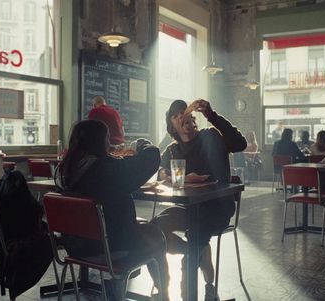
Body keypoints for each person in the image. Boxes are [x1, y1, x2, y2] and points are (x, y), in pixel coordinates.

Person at [56, 119, 170, 300]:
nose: (109, 143)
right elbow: (150, 160)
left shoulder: (64, 171)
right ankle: (162, 294)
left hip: (76, 248)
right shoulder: (107, 170)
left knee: (142, 229)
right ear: (99, 142)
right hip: (107, 248)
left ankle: (119, 282)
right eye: (107, 138)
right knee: (156, 235)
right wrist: (143, 144)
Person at [151, 99, 247, 301]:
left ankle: (201, 284)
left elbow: (240, 144)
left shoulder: (210, 136)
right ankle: (163, 290)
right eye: (176, 116)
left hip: (217, 207)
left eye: (184, 113)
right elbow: (160, 171)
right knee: (153, 231)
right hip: (187, 208)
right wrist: (174, 176)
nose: (181, 117)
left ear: (192, 118)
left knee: (190, 258)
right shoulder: (172, 150)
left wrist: (212, 115)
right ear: (172, 124)